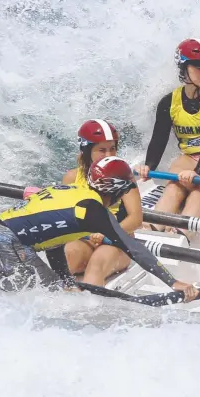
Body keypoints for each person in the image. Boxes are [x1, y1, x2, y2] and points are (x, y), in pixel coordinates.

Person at [0, 156, 198, 301]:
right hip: (4, 243)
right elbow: (134, 248)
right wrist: (173, 282)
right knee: (42, 297)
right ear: (116, 191)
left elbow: (55, 241)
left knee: (51, 290)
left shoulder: (71, 190)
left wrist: (66, 279)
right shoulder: (93, 212)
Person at [135, 38, 200, 229]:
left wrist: (196, 173)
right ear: (184, 68)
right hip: (189, 159)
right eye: (199, 67)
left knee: (198, 194)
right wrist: (148, 166)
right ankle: (152, 229)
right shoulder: (168, 102)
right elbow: (159, 139)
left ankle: (181, 234)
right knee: (174, 189)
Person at [62, 119, 143, 285]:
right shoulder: (71, 177)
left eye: (112, 149)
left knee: (96, 265)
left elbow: (136, 219)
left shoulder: (124, 175)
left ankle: (91, 306)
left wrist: (108, 233)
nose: (109, 155)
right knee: (67, 257)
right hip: (85, 239)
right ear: (87, 151)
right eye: (102, 150)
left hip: (118, 241)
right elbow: (65, 216)